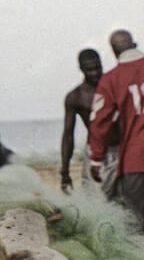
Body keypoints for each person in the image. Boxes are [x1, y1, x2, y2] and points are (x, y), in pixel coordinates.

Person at [89, 28, 144, 223]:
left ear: (114, 52)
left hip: (135, 160)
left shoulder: (112, 79)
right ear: (134, 45)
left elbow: (99, 122)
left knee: (138, 226)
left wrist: (96, 159)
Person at [59, 48, 105, 192]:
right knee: (93, 196)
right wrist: (65, 171)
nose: (95, 73)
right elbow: (68, 135)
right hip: (94, 149)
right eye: (89, 70)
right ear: (81, 69)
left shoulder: (114, 86)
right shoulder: (75, 96)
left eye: (97, 68)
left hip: (122, 147)